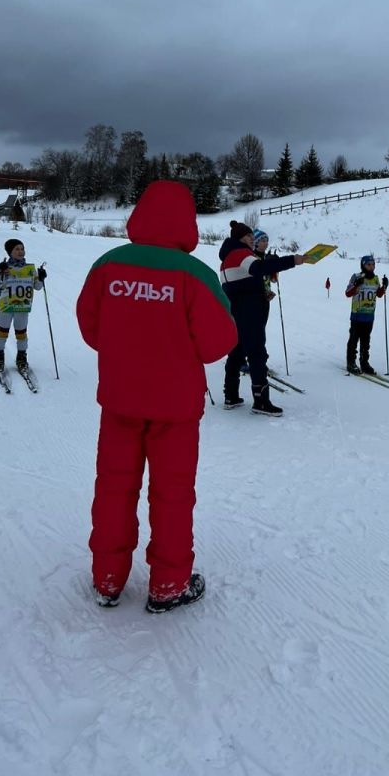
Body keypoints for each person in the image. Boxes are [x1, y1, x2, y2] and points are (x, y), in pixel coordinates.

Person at [76, 181, 237, 614]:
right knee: (172, 494)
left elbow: (91, 328)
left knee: (113, 487)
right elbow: (218, 342)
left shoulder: (108, 265)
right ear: (187, 221)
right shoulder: (195, 275)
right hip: (175, 409)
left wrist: (126, 345)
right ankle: (169, 583)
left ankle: (107, 579)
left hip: (120, 401)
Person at [220, 220, 304, 416]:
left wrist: (259, 294)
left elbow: (240, 286)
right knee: (257, 353)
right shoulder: (241, 254)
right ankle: (261, 401)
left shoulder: (227, 258)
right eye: (249, 237)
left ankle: (230, 395)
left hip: (238, 311)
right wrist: (293, 260)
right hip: (249, 313)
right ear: (240, 239)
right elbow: (260, 268)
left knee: (237, 352)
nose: (252, 240)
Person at [0, 238, 46, 374]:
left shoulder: (29, 269)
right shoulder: (5, 267)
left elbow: (37, 287)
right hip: (6, 307)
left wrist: (41, 277)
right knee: (2, 332)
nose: (20, 251)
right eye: (17, 249)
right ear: (10, 252)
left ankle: (21, 357)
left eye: (22, 248)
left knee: (21, 333)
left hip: (22, 308)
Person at [345, 255, 388, 375]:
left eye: (373, 264)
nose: (371, 267)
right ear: (363, 265)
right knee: (354, 339)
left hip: (369, 315)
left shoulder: (375, 279)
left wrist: (384, 286)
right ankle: (351, 362)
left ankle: (364, 363)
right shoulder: (356, 277)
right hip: (357, 314)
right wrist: (356, 285)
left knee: (366, 341)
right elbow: (348, 293)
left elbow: (378, 294)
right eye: (368, 264)